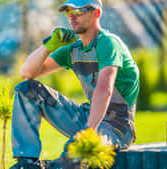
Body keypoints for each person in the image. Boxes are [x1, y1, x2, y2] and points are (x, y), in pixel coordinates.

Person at [9, 0, 139, 168]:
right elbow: (27, 73)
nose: (72, 15)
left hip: (117, 126)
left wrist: (87, 133)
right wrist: (48, 47)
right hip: (88, 115)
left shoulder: (108, 43)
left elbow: (104, 90)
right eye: (69, 10)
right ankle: (27, 162)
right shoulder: (74, 49)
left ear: (96, 13)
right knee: (27, 89)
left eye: (79, 10)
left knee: (73, 153)